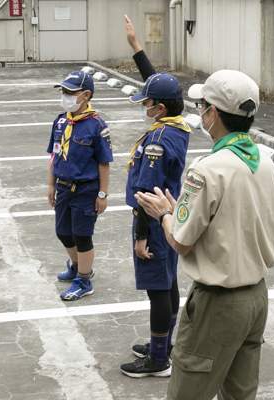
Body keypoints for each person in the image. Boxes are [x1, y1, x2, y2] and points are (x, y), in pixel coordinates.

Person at [135, 70, 274, 399]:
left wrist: (164, 214)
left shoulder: (208, 168)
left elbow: (180, 242)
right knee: (239, 394)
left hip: (219, 303)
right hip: (256, 297)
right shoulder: (266, 163)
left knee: (187, 393)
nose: (200, 112)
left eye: (202, 105)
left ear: (213, 113)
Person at [119, 15, 191, 379]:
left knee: (158, 291)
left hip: (154, 220)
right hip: (171, 217)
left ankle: (158, 359)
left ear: (159, 108)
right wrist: (136, 47)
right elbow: (162, 87)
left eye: (147, 102)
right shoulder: (177, 124)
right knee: (169, 283)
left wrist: (141, 236)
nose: (144, 106)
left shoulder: (158, 142)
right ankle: (164, 344)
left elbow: (146, 193)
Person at [47, 70, 113, 301]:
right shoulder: (61, 120)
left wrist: (102, 194)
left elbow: (104, 163)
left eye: (70, 92)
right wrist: (51, 185)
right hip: (63, 186)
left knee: (81, 235)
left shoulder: (96, 125)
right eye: (63, 91)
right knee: (63, 232)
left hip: (86, 189)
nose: (64, 96)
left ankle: (84, 280)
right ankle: (78, 266)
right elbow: (55, 155)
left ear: (85, 95)